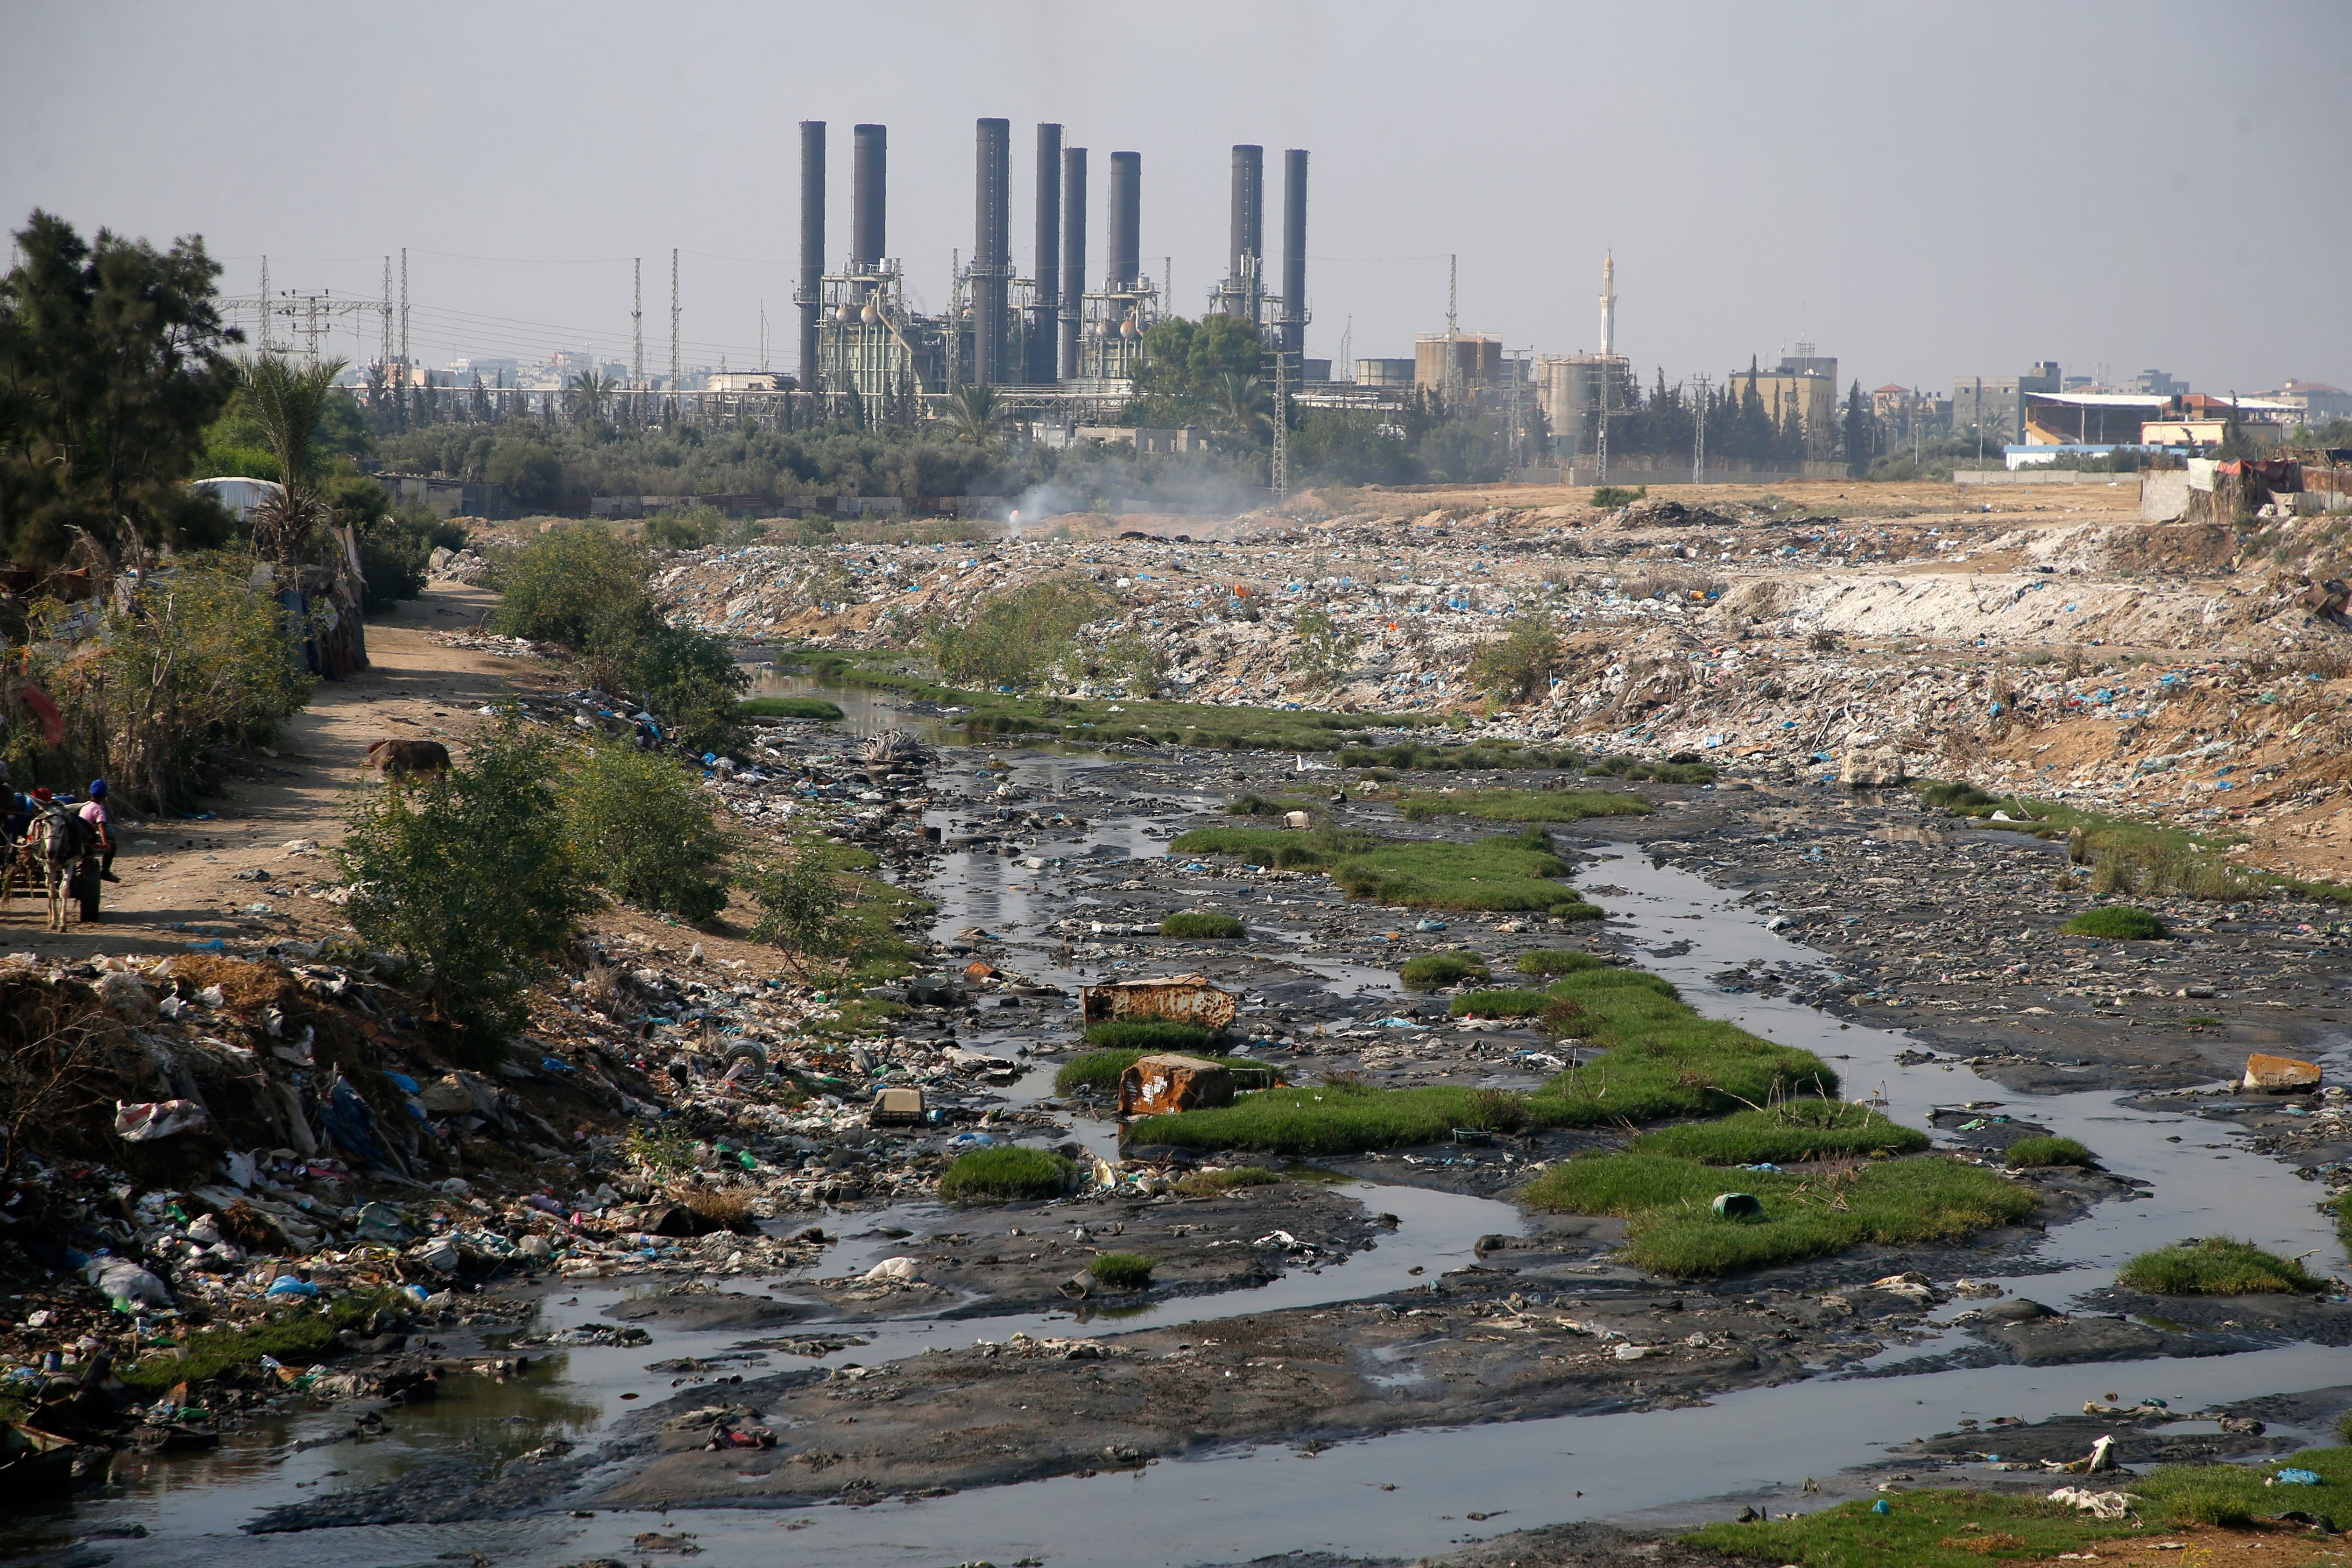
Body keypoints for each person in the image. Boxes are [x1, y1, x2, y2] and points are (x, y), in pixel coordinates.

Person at [77, 779, 118, 882]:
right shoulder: (99, 809)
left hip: (80, 835)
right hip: (88, 838)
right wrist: (105, 843)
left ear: (91, 792)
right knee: (112, 844)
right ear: (105, 795)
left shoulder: (86, 806)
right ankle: (105, 871)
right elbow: (102, 826)